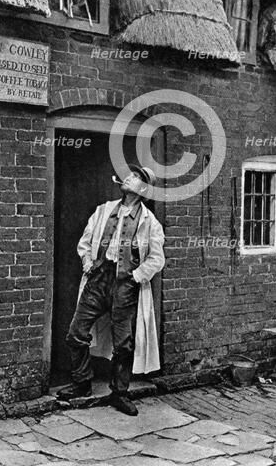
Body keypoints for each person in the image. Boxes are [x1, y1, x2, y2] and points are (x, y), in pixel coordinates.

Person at [57, 165, 165, 416]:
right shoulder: (103, 210)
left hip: (125, 286)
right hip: (99, 281)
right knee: (76, 333)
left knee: (124, 344)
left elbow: (156, 259)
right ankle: (82, 382)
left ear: (143, 189)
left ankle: (120, 393)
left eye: (137, 177)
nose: (129, 177)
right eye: (131, 174)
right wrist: (87, 264)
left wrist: (135, 277)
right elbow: (85, 242)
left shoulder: (150, 223)